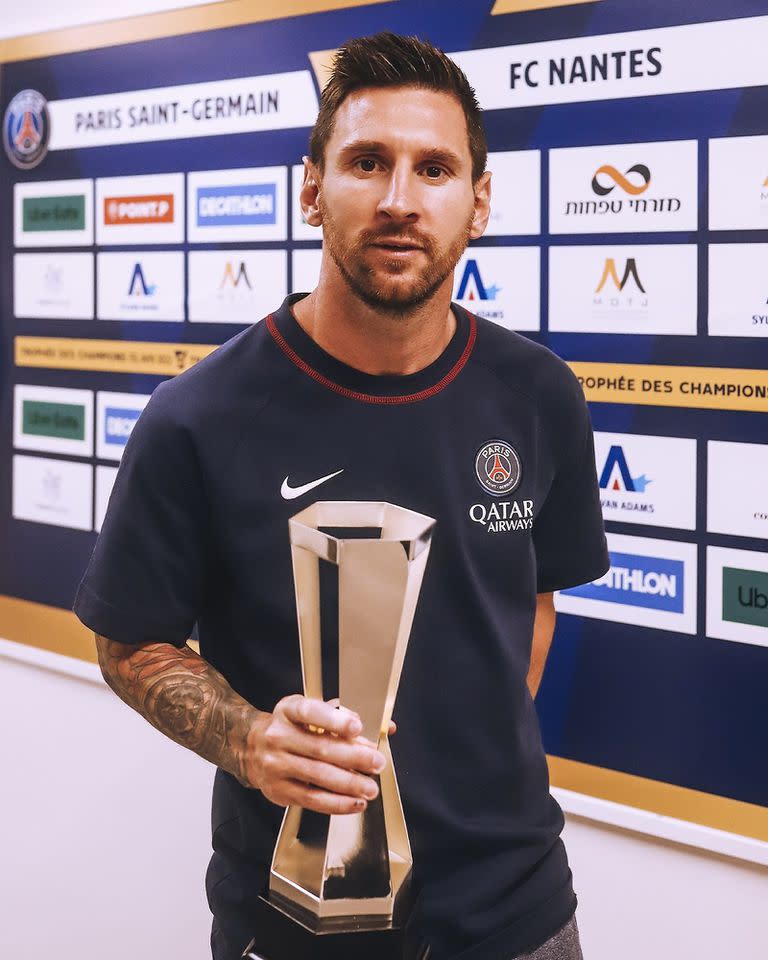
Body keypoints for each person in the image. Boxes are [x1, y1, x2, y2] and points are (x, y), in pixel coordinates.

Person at [74, 31, 608, 960]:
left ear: (478, 203)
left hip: (519, 916)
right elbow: (129, 645)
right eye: (368, 162)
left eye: (434, 169)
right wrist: (250, 743)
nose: (401, 200)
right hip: (291, 924)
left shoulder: (540, 395)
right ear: (312, 187)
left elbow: (530, 607)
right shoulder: (195, 417)